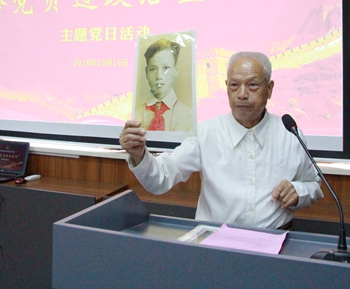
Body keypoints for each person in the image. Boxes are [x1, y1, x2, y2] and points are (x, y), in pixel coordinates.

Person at [120, 51, 323, 229]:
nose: (242, 94)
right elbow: (161, 178)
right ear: (226, 87)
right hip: (216, 242)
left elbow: (313, 184)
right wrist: (139, 156)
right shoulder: (207, 133)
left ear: (269, 89)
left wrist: (299, 191)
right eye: (234, 85)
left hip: (275, 241)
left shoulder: (289, 133)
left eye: (252, 85)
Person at [134, 38, 193, 132]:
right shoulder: (134, 115)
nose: (159, 76)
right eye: (153, 69)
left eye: (166, 68)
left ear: (175, 71)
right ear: (146, 72)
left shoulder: (190, 116)